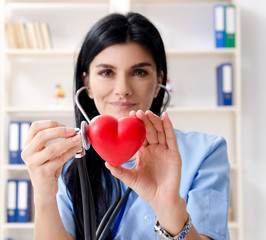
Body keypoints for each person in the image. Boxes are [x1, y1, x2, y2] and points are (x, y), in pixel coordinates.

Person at [21, 12, 230, 240]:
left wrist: (169, 206)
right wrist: (43, 197)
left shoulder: (205, 151)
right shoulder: (67, 161)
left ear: (159, 82)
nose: (122, 89)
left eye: (139, 72)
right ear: (87, 84)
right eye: (106, 72)